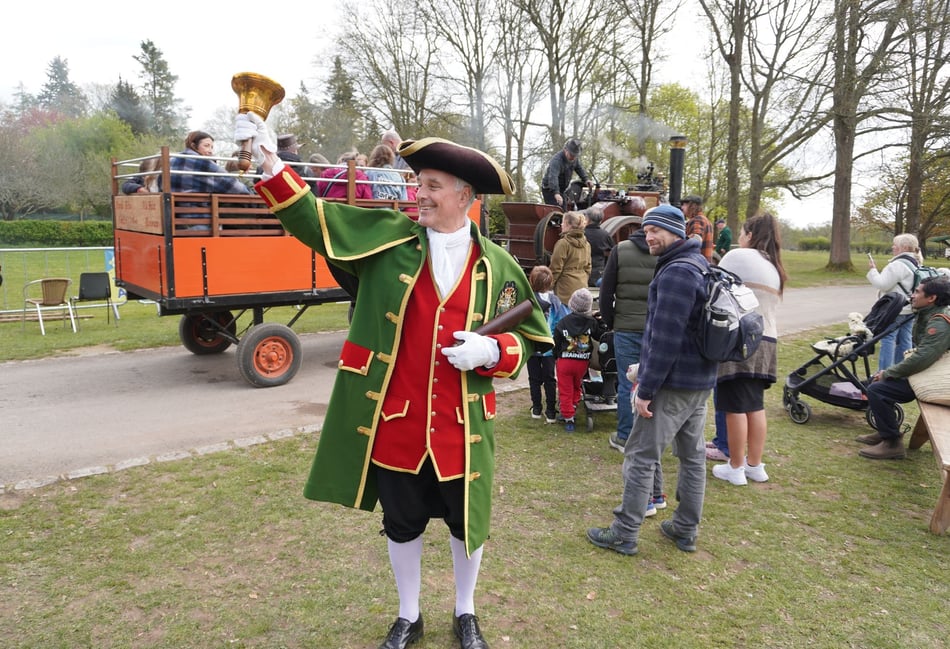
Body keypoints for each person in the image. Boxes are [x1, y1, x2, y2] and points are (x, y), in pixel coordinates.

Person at [235, 113, 552, 649]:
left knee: (466, 525)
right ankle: (409, 615)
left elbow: (531, 342)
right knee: (402, 524)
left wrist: (492, 351)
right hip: (397, 423)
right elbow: (313, 219)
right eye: (418, 183)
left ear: (465, 195)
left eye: (432, 186)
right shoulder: (386, 240)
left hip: (462, 430)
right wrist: (270, 162)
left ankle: (466, 611)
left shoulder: (498, 265)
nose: (419, 194)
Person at [586, 204, 718, 556]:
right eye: (645, 231)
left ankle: (624, 532)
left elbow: (665, 339)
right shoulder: (697, 263)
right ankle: (685, 529)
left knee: (641, 455)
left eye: (655, 230)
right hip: (699, 381)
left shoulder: (676, 272)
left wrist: (645, 389)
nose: (649, 237)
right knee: (692, 456)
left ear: (675, 231)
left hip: (672, 384)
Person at [709, 213, 786, 486]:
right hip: (768, 339)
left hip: (740, 337)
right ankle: (755, 464)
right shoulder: (774, 265)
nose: (739, 238)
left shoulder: (738, 257)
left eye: (742, 233)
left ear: (750, 235)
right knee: (754, 404)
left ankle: (735, 467)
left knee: (733, 406)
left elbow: (713, 286)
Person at [857, 277, 950, 459]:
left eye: (917, 292)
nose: (912, 295)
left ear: (931, 298)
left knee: (877, 389)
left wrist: (889, 372)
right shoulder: (929, 314)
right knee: (874, 382)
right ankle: (886, 432)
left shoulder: (939, 323)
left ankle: (892, 443)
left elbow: (923, 358)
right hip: (928, 373)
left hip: (936, 382)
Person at [867, 233, 923, 371]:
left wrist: (873, 270)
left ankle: (884, 372)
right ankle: (902, 370)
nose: (892, 247)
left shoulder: (898, 265)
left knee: (888, 339)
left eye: (895, 245)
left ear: (904, 247)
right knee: (905, 339)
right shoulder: (916, 262)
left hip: (895, 309)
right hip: (910, 308)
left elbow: (882, 284)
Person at [553, 288, 599, 432]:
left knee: (565, 389)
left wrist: (556, 356)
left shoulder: (563, 322)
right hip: (582, 361)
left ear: (572, 304)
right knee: (576, 385)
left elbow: (556, 341)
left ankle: (568, 417)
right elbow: (598, 335)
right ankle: (573, 405)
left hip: (565, 361)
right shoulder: (591, 322)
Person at [528, 265, 560, 424]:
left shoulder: (528, 300)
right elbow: (560, 322)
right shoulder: (555, 301)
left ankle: (536, 408)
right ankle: (551, 411)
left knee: (534, 379)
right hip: (549, 346)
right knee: (550, 378)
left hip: (532, 345)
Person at [549, 210, 591, 305]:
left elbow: (556, 268)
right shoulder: (587, 244)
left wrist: (549, 286)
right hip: (581, 287)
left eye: (563, 223)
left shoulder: (563, 243)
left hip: (564, 290)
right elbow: (588, 267)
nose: (561, 225)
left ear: (569, 225)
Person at [541, 138, 593, 209]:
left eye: (575, 155)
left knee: (564, 210)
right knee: (556, 210)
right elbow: (553, 177)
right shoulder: (556, 161)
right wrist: (556, 193)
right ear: (565, 150)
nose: (573, 157)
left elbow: (579, 168)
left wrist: (586, 179)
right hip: (550, 189)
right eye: (571, 155)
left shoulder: (574, 159)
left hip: (562, 189)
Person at [583, 206, 615, 286]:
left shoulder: (581, 234)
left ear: (587, 219)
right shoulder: (605, 235)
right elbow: (613, 252)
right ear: (600, 221)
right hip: (599, 274)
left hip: (582, 272)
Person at [682, 195, 714, 262]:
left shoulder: (698, 220)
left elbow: (696, 240)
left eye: (685, 205)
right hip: (703, 263)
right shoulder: (704, 219)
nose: (682, 207)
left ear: (693, 206)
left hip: (695, 262)